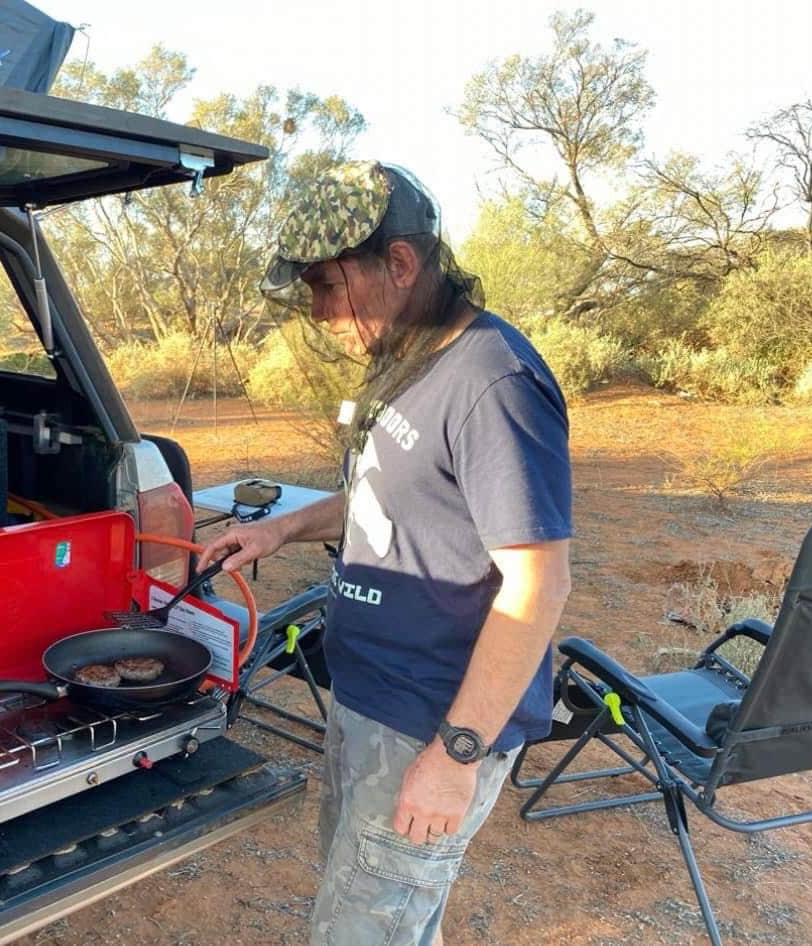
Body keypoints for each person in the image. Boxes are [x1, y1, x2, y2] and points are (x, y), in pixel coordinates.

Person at [199, 161, 573, 946]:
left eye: (328, 286)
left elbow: (537, 584)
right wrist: (279, 531)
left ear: (400, 264)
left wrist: (456, 753)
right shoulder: (406, 359)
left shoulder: (491, 382)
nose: (318, 309)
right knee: (390, 926)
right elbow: (392, 498)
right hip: (370, 702)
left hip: (428, 723)